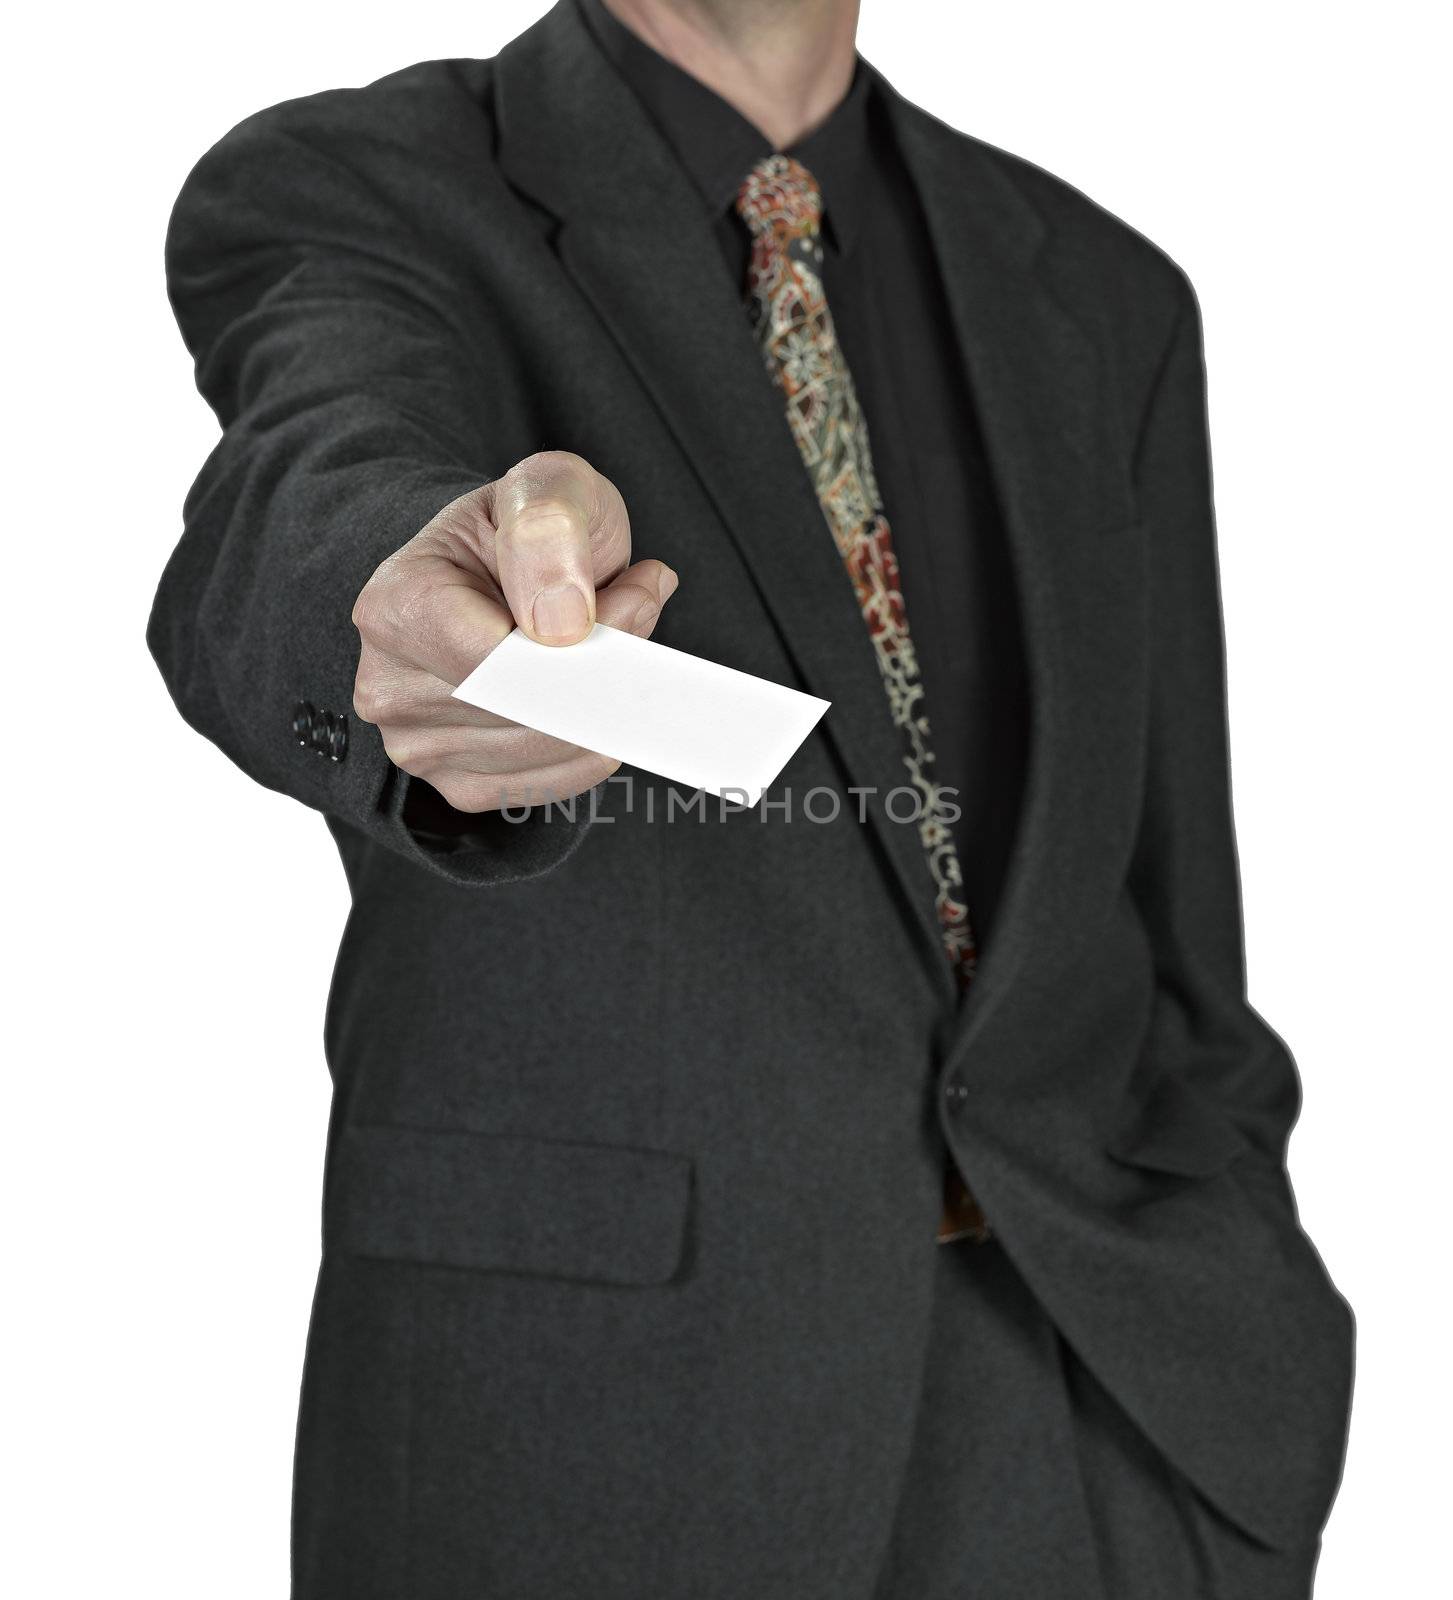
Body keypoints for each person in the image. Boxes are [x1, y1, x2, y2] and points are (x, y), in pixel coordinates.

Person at [148, 0, 1353, 1594]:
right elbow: (312, 463)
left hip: (1098, 1418)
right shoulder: (368, 181)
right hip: (591, 1436)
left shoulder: (1103, 291)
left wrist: (1233, 1293)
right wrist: (395, 588)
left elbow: (1167, 890)